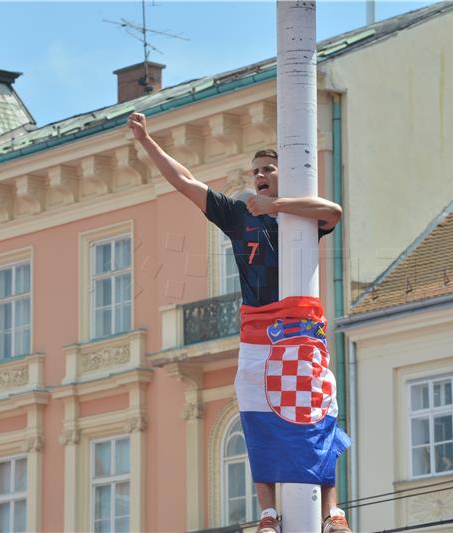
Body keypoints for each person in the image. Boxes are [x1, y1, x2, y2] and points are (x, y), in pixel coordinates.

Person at [128, 112, 351, 533]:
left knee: (318, 410)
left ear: (285, 176)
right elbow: (185, 181)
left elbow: (333, 211)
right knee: (254, 412)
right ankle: (268, 512)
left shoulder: (298, 217)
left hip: (298, 327)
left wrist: (277, 206)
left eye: (269, 169)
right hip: (257, 330)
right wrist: (147, 142)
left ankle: (331, 511)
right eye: (257, 171)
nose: (261, 175)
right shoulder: (238, 216)